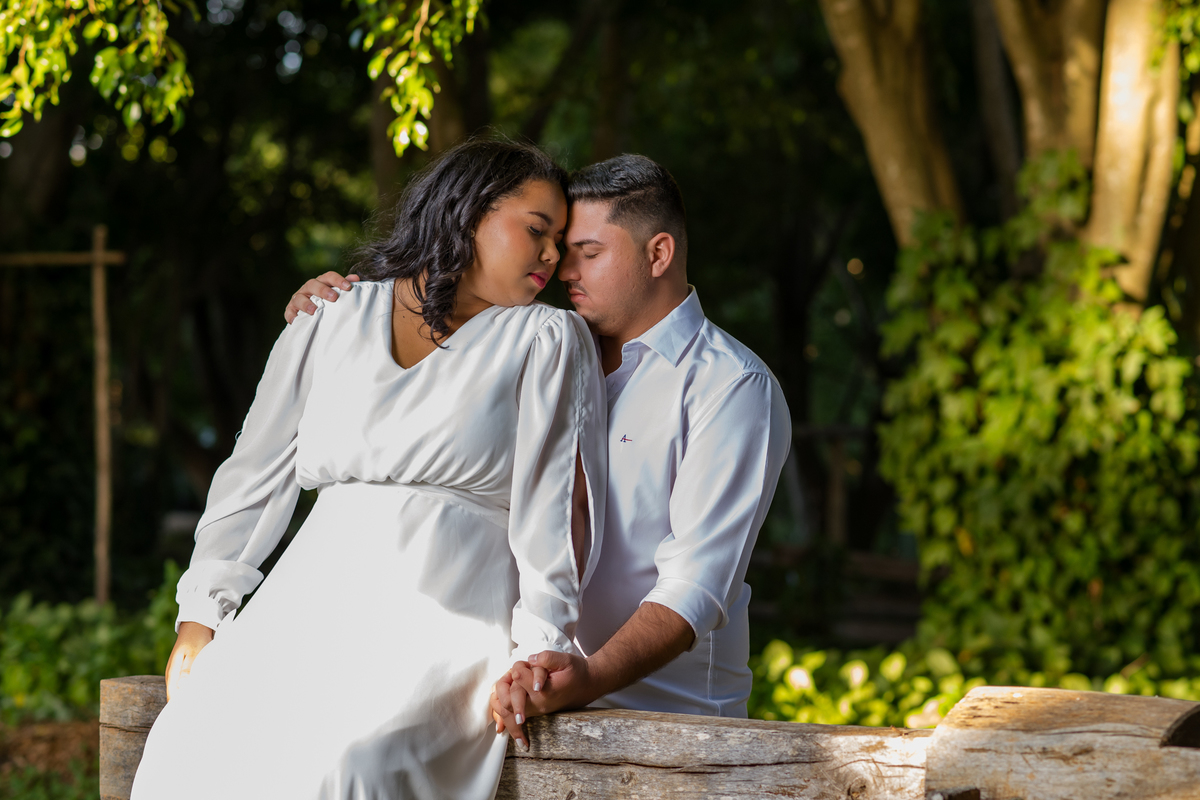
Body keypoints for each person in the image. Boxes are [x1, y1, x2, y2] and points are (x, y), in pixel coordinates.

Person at [132, 139, 607, 800]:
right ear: (468, 212)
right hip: (306, 611)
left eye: (561, 240)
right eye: (537, 231)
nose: (553, 257)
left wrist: (539, 647)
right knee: (186, 747)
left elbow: (547, 514)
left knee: (351, 773)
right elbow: (254, 475)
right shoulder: (330, 316)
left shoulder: (544, 339)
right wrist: (201, 617)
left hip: (447, 626)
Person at [288, 154, 791, 742]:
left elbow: (697, 584)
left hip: (664, 724)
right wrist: (335, 305)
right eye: (557, 244)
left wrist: (586, 676)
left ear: (658, 254)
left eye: (589, 252)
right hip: (508, 703)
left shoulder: (730, 386)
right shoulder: (533, 348)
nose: (562, 268)